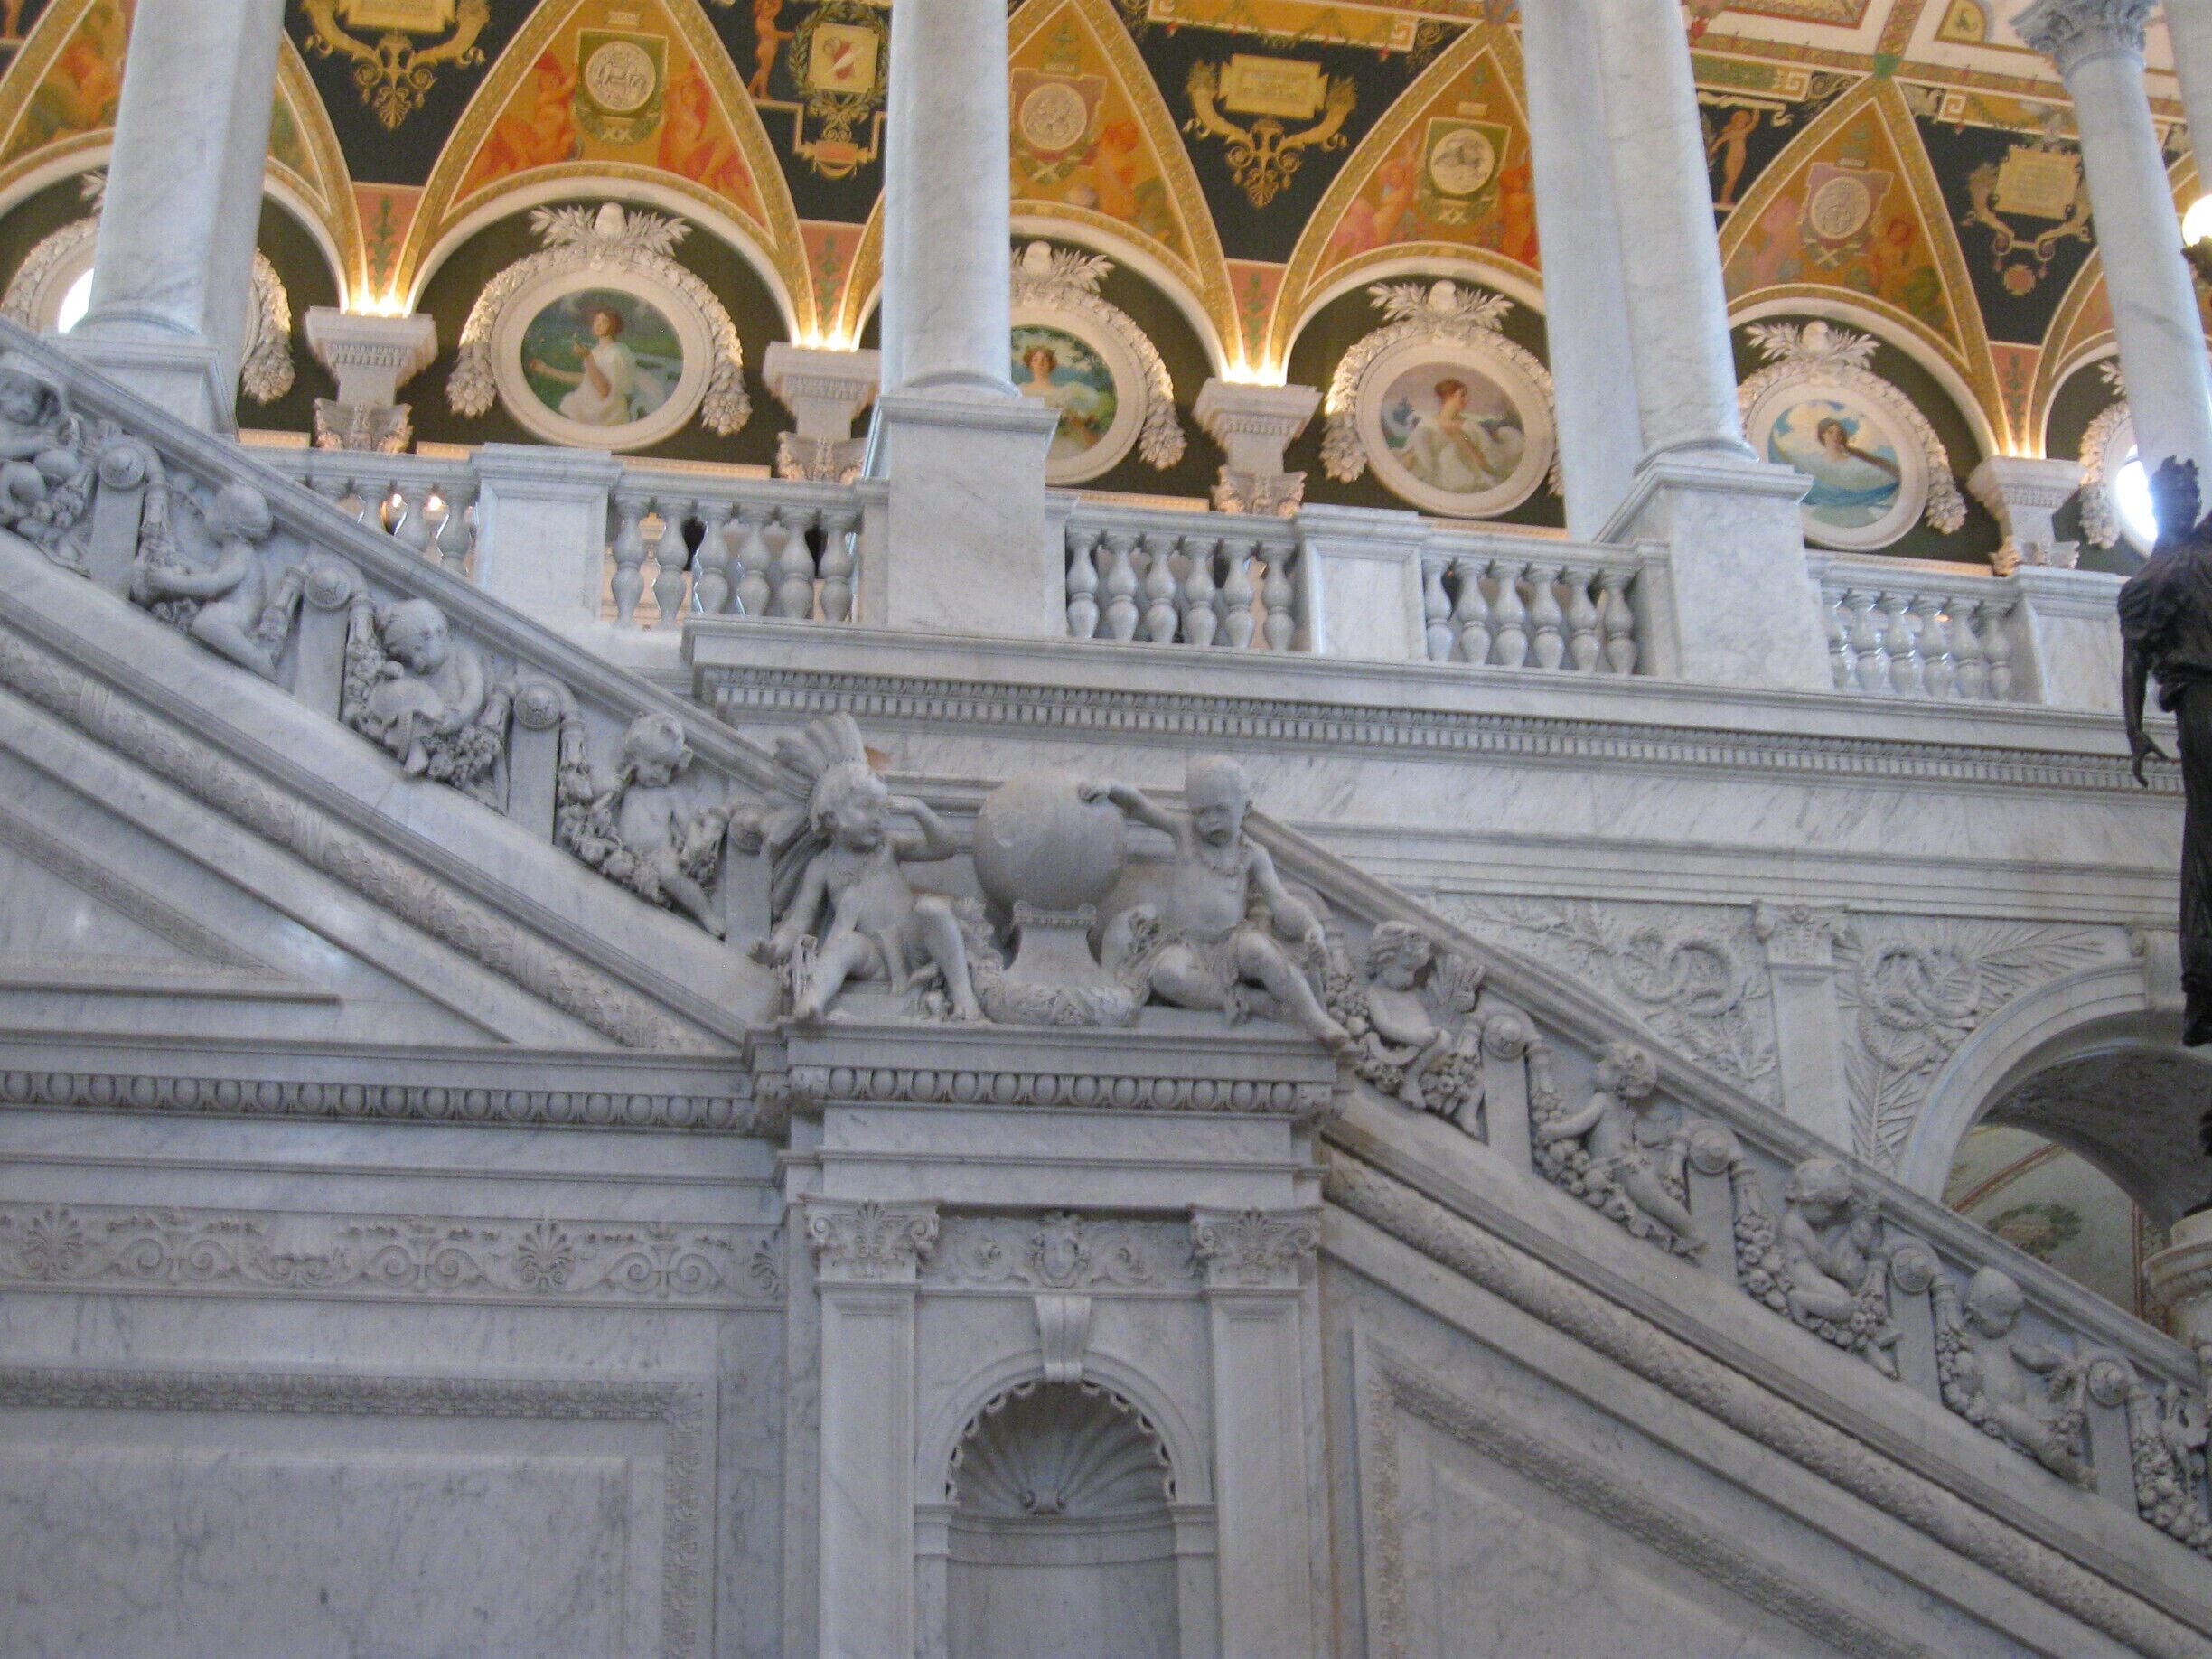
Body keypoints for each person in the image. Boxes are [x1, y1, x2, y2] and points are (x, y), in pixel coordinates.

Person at [1083, 757, 1351, 1048]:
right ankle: (1248, 1000)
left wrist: (1311, 927)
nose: (1210, 822)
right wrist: (1111, 788)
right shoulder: (1185, 834)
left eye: (1220, 811)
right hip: (1182, 943)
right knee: (1167, 974)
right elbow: (1140, 806)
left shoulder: (1252, 854)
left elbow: (1280, 901)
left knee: (1261, 951)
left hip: (1231, 943)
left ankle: (1315, 1018)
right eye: (1201, 813)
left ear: (1245, 808)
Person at [2121, 458, 2212, 1044]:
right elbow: (2133, 662)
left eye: (2192, 493)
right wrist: (2134, 729)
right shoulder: (2152, 580)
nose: (2185, 502)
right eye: (2174, 494)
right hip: (2201, 695)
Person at [531, 305, 661, 427]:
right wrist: (545, 369)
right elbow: (587, 380)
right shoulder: (595, 351)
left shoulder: (617, 352)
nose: (598, 324)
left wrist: (587, 357)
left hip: (606, 414)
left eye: (604, 321)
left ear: (613, 325)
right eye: (596, 320)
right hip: (589, 407)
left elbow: (604, 390)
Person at [1395, 378, 1523, 496]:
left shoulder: (1469, 426)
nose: (1466, 400)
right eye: (1462, 395)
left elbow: (1482, 459)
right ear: (1449, 397)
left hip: (1466, 479)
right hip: (1435, 480)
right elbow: (1413, 454)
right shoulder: (1427, 424)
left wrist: (1463, 439)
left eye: (1466, 395)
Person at [1015, 343, 1104, 455]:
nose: (1040, 363)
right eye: (1035, 360)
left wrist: (1070, 418)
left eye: (1045, 359)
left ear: (1051, 364)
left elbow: (1076, 420)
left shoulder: (1064, 393)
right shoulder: (1020, 391)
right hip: (1027, 443)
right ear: (1030, 364)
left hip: (1058, 443)